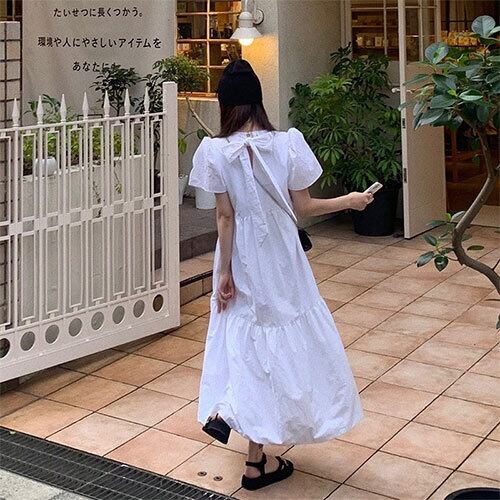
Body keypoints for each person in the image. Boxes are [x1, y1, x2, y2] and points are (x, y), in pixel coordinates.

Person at [188, 59, 373, 491]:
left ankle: (236, 421)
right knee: (283, 337)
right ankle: (250, 445)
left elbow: (225, 217)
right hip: (282, 258)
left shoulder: (213, 151)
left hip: (242, 255)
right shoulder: (287, 143)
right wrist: (349, 200)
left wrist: (225, 272)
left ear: (224, 104)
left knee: (245, 339)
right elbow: (303, 207)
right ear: (258, 99)